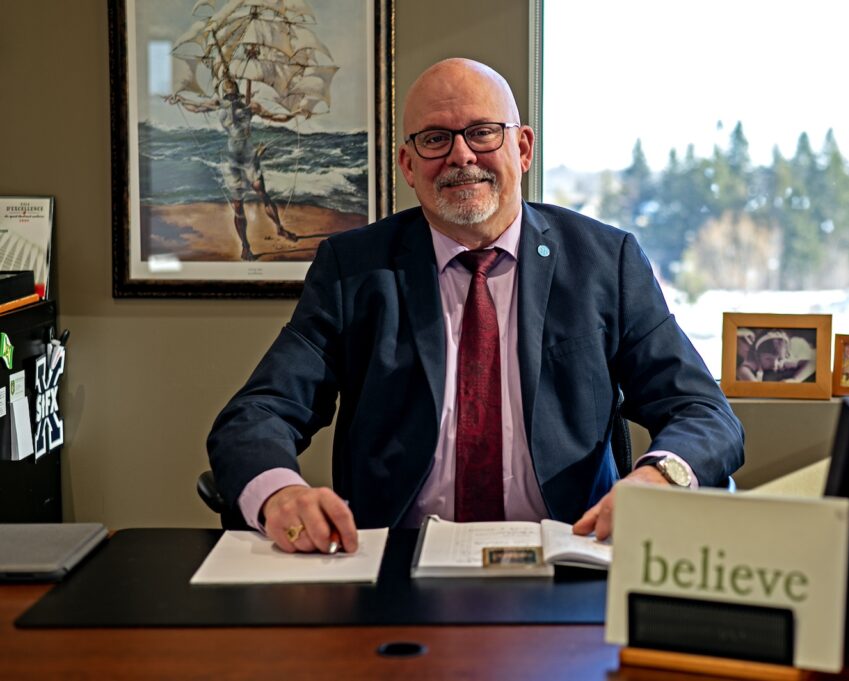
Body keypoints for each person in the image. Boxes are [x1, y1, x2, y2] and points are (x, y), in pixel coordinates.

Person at [207, 58, 744, 554]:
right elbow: (257, 414)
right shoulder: (354, 270)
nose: (462, 155)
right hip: (393, 562)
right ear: (409, 166)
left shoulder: (605, 262)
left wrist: (658, 478)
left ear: (524, 148)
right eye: (436, 139)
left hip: (573, 555)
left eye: (483, 132)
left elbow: (703, 412)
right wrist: (280, 494)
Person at [166, 79, 305, 261]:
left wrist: (295, 114)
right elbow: (197, 107)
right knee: (238, 206)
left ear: (238, 94)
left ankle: (279, 227)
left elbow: (274, 117)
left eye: (233, 95)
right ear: (225, 95)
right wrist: (181, 100)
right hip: (233, 161)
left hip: (250, 159)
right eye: (228, 95)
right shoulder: (219, 105)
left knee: (262, 193)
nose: (230, 98)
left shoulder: (249, 107)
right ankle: (246, 247)